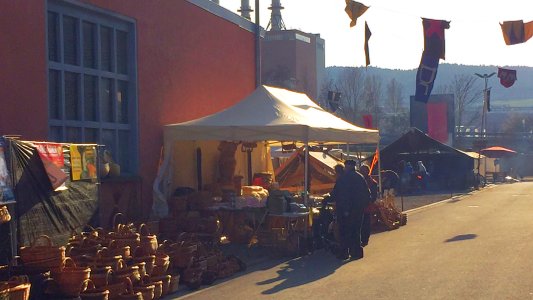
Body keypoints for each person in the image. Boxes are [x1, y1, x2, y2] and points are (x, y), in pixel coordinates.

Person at [330, 160, 371, 260]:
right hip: (358, 209)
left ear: (347, 166)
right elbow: (367, 193)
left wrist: (344, 208)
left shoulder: (344, 178)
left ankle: (344, 253)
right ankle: (356, 252)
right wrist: (362, 206)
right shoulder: (360, 177)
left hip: (346, 209)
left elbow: (340, 194)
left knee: (344, 231)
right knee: (356, 231)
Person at [359, 164, 377, 247]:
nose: (361, 172)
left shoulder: (371, 182)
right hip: (359, 205)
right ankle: (360, 239)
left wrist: (369, 202)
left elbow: (373, 195)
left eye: (363, 170)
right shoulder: (358, 180)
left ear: (367, 171)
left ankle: (365, 239)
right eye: (361, 170)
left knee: (366, 223)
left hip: (367, 205)